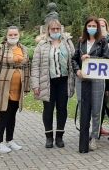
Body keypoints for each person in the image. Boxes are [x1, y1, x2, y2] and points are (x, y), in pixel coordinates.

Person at [31, 18, 76, 149]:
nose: (55, 31)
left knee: (62, 109)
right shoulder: (42, 45)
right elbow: (35, 66)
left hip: (64, 81)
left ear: (61, 29)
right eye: (53, 29)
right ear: (48, 30)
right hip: (48, 82)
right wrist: (35, 85)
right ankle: (49, 137)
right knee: (48, 109)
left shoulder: (67, 43)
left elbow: (74, 60)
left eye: (57, 29)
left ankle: (59, 136)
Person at [0, 26, 31, 153]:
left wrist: (27, 86)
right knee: (3, 114)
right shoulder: (0, 48)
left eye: (15, 34)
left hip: (17, 87)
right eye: (11, 35)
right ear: (6, 35)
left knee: (12, 115)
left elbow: (27, 67)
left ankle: (9, 140)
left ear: (19, 34)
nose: (13, 37)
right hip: (3, 87)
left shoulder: (23, 48)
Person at [72, 16, 109, 153]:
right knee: (83, 107)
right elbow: (74, 59)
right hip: (82, 79)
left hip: (97, 79)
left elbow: (106, 58)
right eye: (90, 26)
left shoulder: (102, 42)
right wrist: (77, 70)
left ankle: (94, 136)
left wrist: (91, 59)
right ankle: (84, 135)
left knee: (96, 109)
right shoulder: (81, 41)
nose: (92, 28)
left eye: (94, 26)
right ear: (86, 27)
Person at [98, 17, 109, 138]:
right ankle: (97, 127)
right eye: (99, 25)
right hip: (97, 74)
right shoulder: (93, 40)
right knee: (98, 103)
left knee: (106, 102)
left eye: (103, 25)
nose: (101, 27)